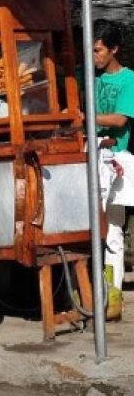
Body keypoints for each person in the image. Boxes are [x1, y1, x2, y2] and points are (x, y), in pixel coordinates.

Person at [88, 19, 134, 304]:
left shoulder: (129, 79)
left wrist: (85, 118)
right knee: (93, 227)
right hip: (93, 157)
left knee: (114, 230)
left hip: (118, 160)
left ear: (114, 49)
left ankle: (112, 297)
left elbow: (119, 119)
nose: (94, 56)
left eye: (98, 51)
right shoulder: (92, 79)